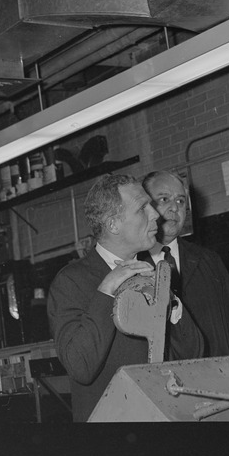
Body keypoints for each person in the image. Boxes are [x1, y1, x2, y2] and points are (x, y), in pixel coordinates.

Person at [47, 173, 203, 422]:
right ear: (113, 225)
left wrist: (170, 303)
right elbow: (81, 367)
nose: (156, 215)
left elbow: (194, 354)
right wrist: (107, 291)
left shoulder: (153, 273)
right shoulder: (71, 282)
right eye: (143, 208)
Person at [140, 170, 229, 357]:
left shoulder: (209, 261)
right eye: (164, 199)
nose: (174, 208)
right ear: (145, 207)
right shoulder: (132, 266)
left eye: (180, 201)